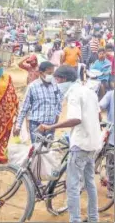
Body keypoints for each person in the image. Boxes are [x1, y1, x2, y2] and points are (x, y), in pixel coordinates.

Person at [38, 65, 102, 223]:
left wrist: (51, 127)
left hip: (80, 144)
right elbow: (98, 117)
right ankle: (94, 218)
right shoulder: (89, 91)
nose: (56, 83)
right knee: (89, 183)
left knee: (72, 185)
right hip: (93, 142)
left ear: (64, 79)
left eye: (57, 80)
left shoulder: (74, 94)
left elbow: (76, 119)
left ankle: (75, 220)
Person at [14, 61, 62, 144]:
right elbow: (24, 108)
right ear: (40, 73)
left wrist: (56, 116)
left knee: (46, 152)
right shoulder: (32, 87)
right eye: (49, 73)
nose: (51, 76)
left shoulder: (55, 86)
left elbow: (58, 102)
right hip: (36, 126)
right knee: (37, 152)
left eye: (52, 73)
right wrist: (18, 126)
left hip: (50, 126)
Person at [100, 89, 114, 198]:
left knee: (111, 165)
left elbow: (99, 107)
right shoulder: (111, 94)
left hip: (112, 138)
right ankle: (111, 189)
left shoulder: (111, 94)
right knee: (111, 165)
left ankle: (112, 190)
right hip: (112, 138)